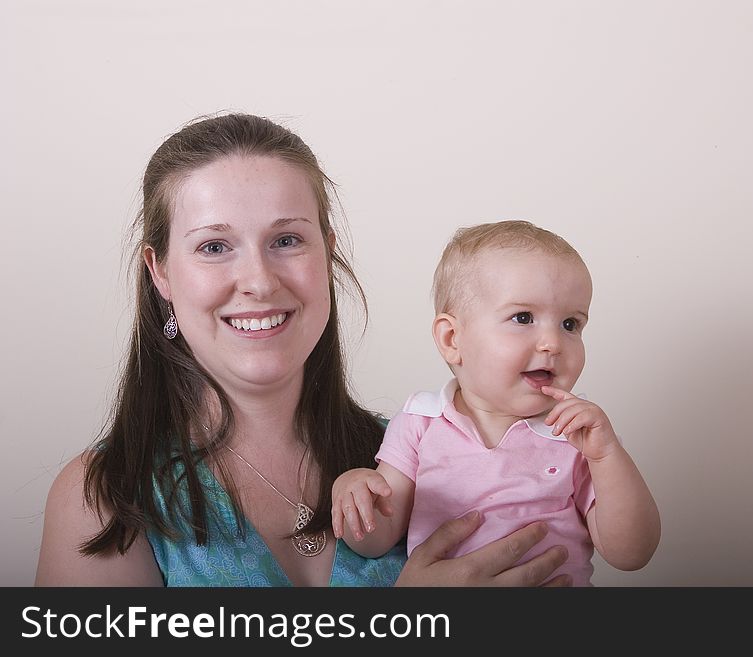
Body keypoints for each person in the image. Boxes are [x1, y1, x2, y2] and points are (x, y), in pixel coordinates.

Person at [34, 115, 572, 587]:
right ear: (161, 273)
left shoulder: (421, 452)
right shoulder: (104, 499)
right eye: (214, 247)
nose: (258, 282)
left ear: (328, 252)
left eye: (286, 240)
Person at [331, 220, 661, 586]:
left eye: (571, 324)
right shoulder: (420, 421)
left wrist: (607, 457)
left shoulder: (576, 432)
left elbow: (632, 554)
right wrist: (355, 494)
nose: (553, 342)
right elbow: (377, 542)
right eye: (523, 318)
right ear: (453, 338)